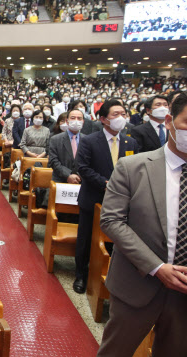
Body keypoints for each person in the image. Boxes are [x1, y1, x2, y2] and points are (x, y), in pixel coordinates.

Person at [97, 88, 187, 357]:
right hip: (139, 283)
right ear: (169, 121)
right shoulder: (133, 167)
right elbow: (112, 221)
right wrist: (157, 267)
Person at [74, 99, 139, 294]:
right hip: (93, 197)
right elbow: (83, 168)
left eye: (123, 114)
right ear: (103, 119)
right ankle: (81, 274)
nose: (121, 118)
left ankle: (110, 276)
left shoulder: (130, 142)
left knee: (114, 240)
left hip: (120, 202)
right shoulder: (89, 140)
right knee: (85, 238)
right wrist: (105, 184)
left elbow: (135, 169)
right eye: (115, 114)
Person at [49, 109, 86, 183]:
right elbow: (53, 161)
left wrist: (78, 176)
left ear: (83, 122)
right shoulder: (55, 139)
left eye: (79, 118)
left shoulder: (88, 140)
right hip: (60, 180)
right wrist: (68, 175)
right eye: (73, 118)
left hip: (81, 181)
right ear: (67, 121)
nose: (76, 121)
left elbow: (89, 162)